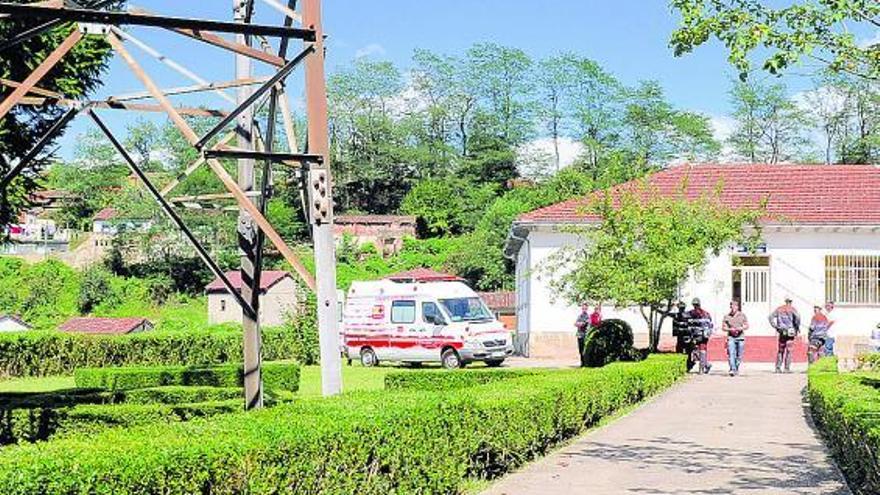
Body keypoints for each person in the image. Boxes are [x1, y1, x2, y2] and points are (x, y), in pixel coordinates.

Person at [769, 297, 801, 373]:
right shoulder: (792, 309)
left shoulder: (779, 309)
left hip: (782, 331)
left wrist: (775, 326)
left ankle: (778, 368)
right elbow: (798, 318)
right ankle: (786, 369)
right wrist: (796, 327)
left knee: (781, 350)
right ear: (790, 302)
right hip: (790, 332)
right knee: (789, 350)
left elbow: (770, 317)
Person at [686, 298, 713, 374]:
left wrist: (707, 334)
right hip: (694, 336)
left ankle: (701, 369)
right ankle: (707, 365)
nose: (695, 306)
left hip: (703, 336)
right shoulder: (689, 313)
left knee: (702, 351)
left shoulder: (706, 314)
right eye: (694, 305)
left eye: (697, 305)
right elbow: (687, 324)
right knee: (695, 352)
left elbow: (710, 325)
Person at [722, 300, 748, 376]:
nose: (733, 308)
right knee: (731, 353)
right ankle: (732, 369)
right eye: (731, 306)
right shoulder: (727, 316)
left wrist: (741, 328)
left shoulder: (742, 315)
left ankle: (736, 367)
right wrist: (730, 329)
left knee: (739, 355)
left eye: (734, 306)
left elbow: (746, 325)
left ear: (737, 307)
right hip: (731, 337)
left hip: (740, 337)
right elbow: (723, 327)